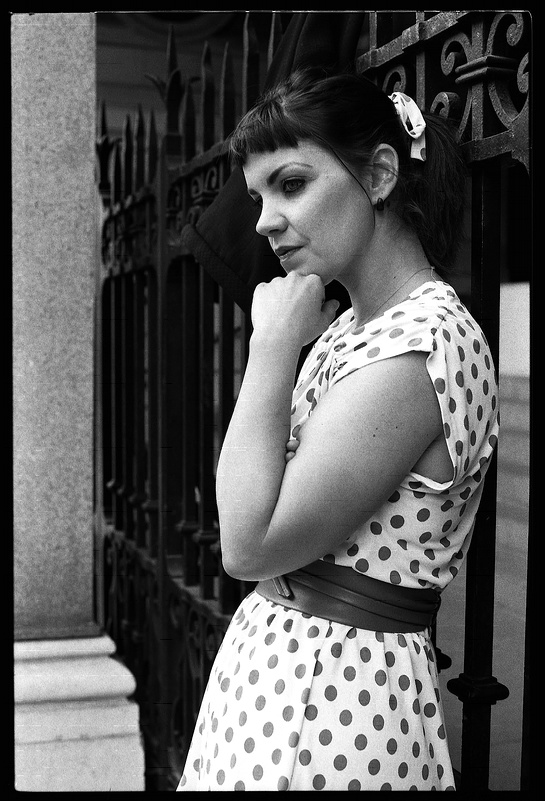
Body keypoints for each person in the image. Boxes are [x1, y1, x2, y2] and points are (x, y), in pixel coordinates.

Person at [176, 67, 499, 792]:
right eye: (259, 194)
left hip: (338, 696)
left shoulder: (423, 343)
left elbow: (248, 541)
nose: (261, 219)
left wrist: (267, 347)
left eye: (290, 184)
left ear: (379, 174)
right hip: (281, 674)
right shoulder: (350, 329)